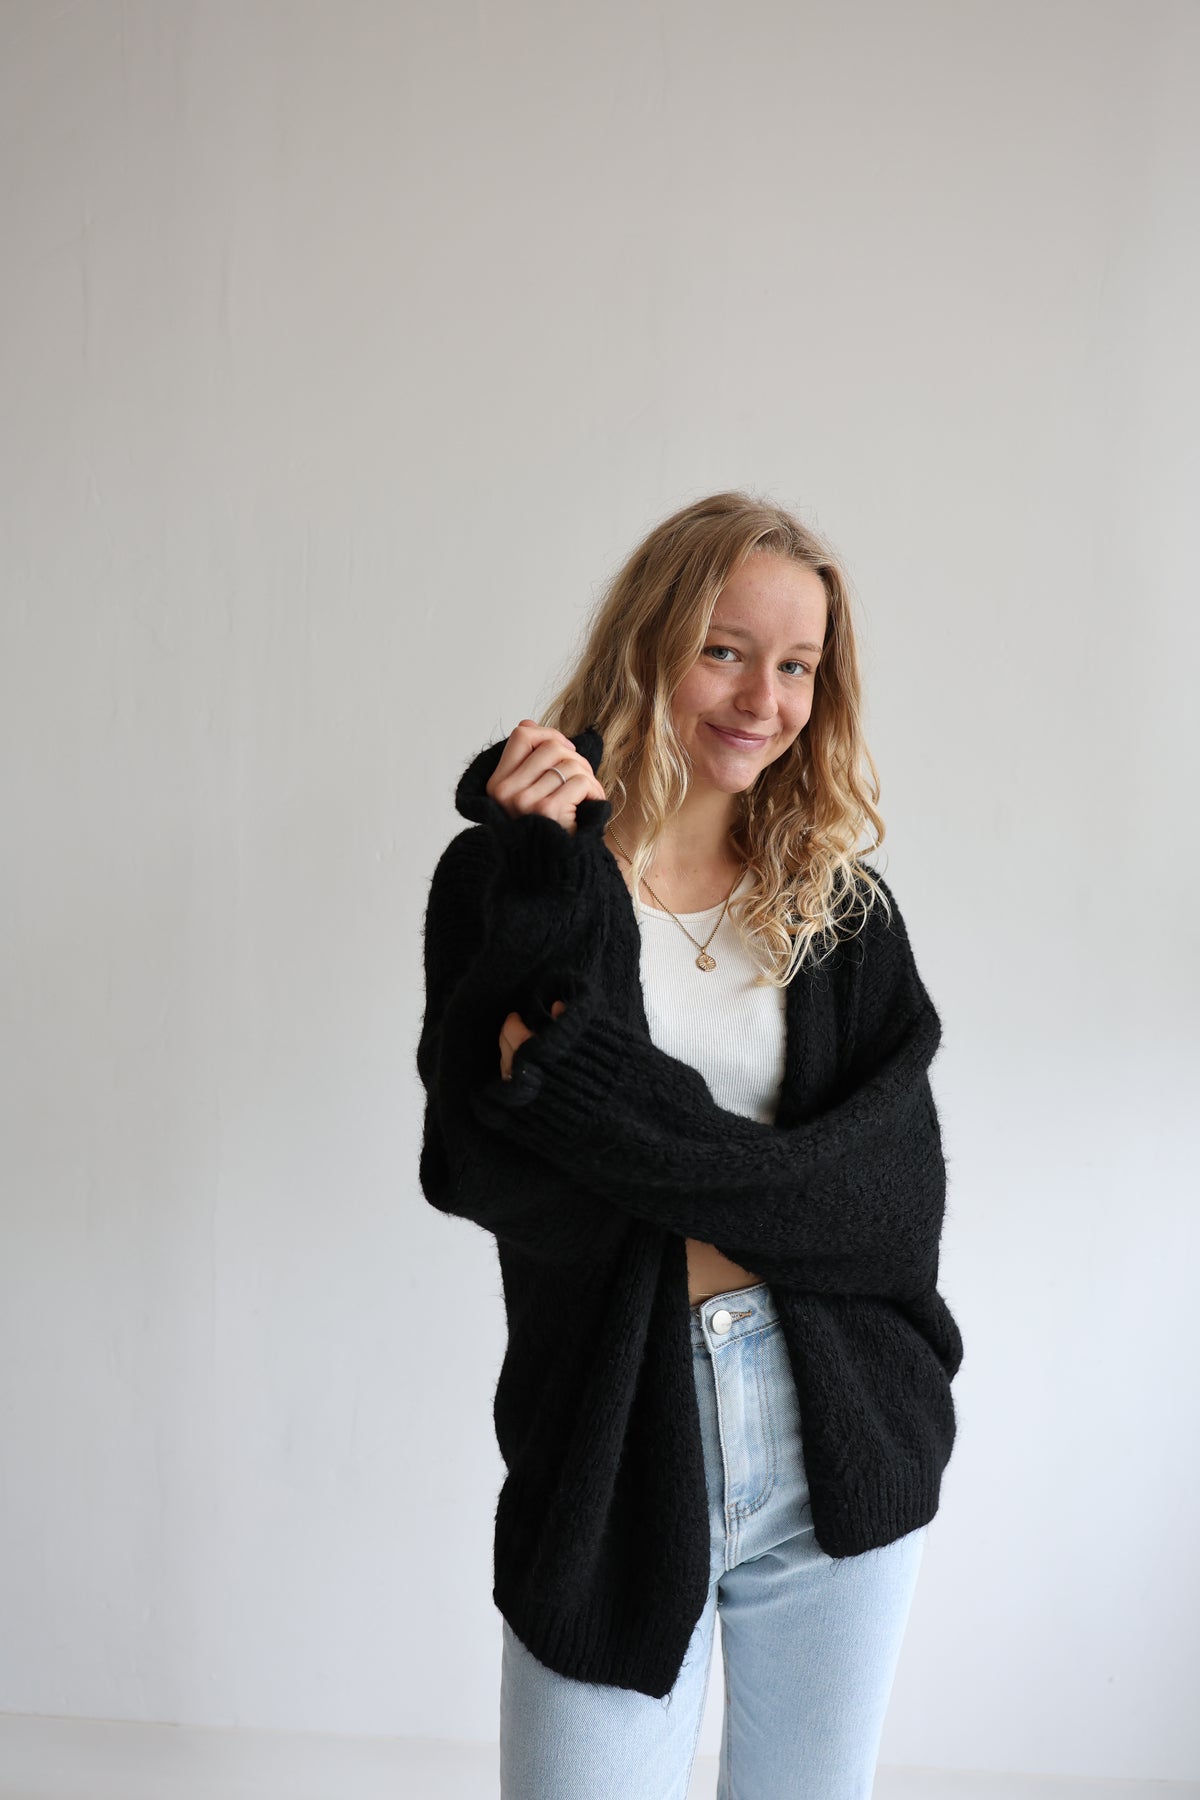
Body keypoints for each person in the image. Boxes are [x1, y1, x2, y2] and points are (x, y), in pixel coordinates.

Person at [417, 489, 964, 1799]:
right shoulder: (511, 882)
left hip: (839, 1429)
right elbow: (481, 1170)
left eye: (798, 666)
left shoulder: (840, 908)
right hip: (612, 1440)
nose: (764, 700)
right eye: (726, 650)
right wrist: (553, 878)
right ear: (649, 642)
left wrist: (587, 1099)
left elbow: (894, 1215)